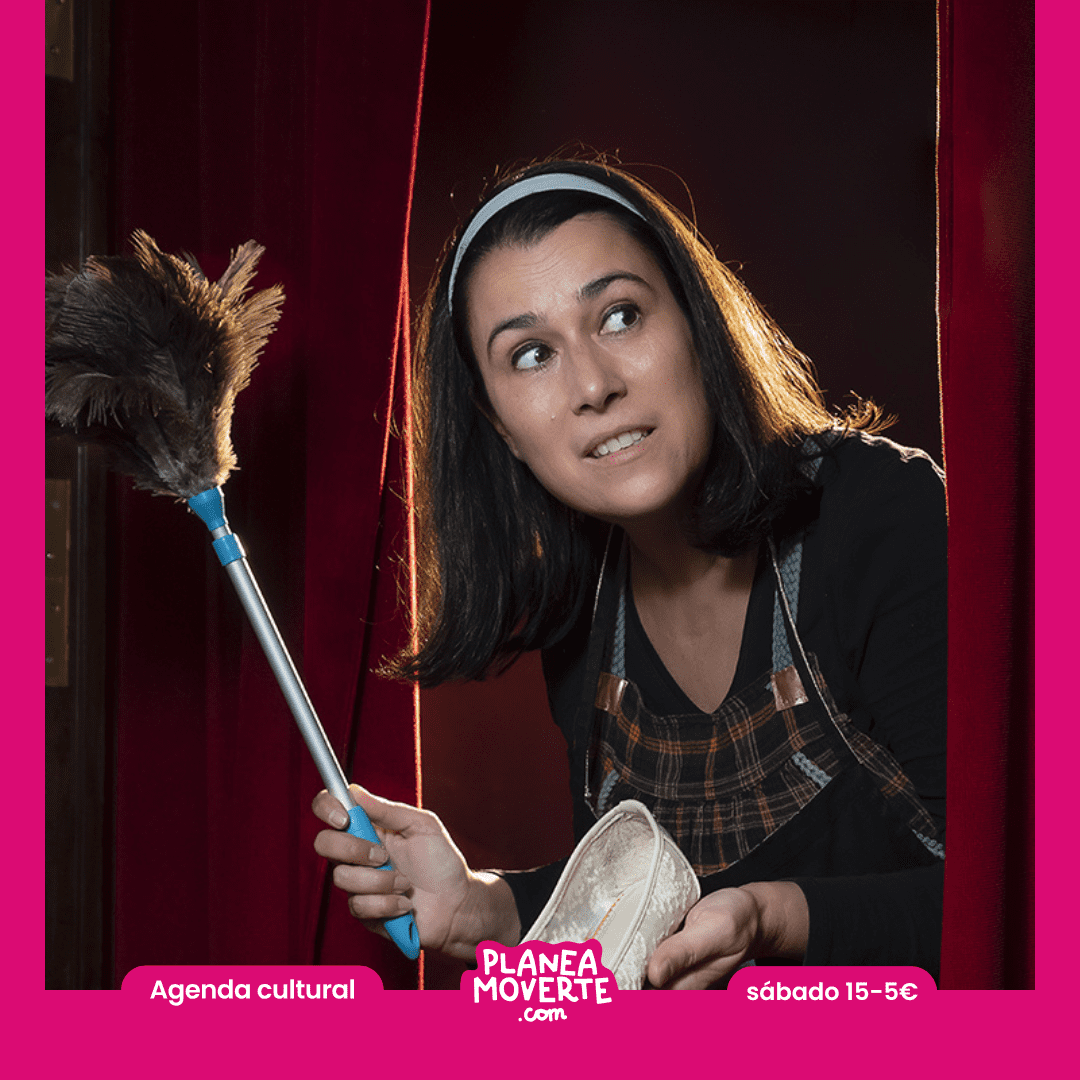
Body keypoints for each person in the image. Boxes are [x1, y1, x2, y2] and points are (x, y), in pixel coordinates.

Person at [311, 159, 947, 988]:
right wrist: (485, 910)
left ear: (694, 321)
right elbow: (651, 924)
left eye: (619, 316)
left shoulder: (877, 516)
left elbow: (1028, 900)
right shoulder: (584, 614)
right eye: (532, 355)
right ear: (500, 429)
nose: (594, 385)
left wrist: (778, 920)